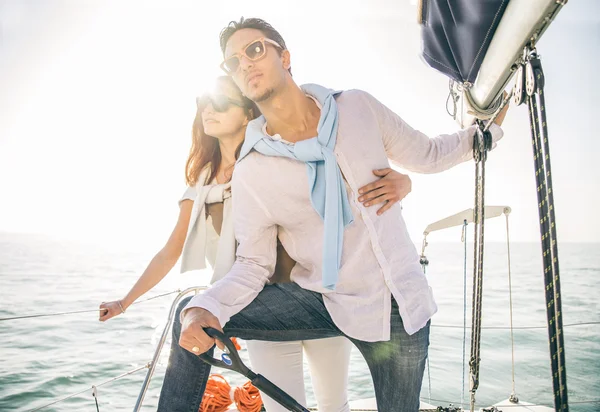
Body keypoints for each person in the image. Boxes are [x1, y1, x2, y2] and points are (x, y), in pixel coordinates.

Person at [176, 17, 510, 412]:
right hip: (325, 299)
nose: (245, 63)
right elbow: (253, 264)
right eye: (233, 62)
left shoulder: (356, 107)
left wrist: (485, 132)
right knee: (188, 316)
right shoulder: (253, 169)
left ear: (285, 56)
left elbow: (429, 154)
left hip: (401, 304)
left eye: (254, 49)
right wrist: (203, 309)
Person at [98, 75, 414, 411]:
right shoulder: (202, 182)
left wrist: (404, 181)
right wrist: (126, 301)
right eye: (204, 104)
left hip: (319, 295)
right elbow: (170, 250)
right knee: (281, 408)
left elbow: (346, 187)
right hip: (260, 305)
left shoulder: (282, 159)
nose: (209, 110)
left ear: (248, 114)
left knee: (334, 404)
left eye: (221, 103)